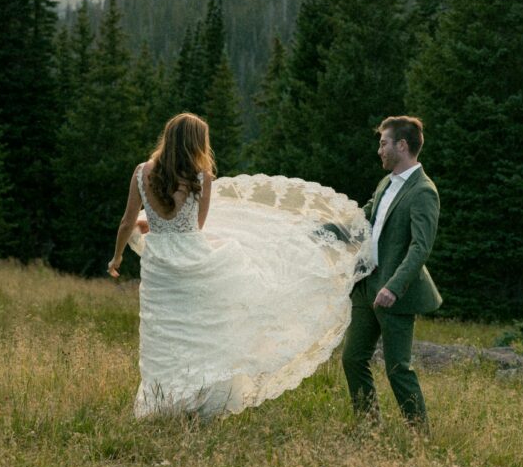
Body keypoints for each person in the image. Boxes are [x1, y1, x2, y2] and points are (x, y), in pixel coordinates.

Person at [108, 112, 372, 418]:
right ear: (196, 143)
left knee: (163, 331)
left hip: (159, 265)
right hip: (193, 260)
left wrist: (118, 256)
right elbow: (198, 225)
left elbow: (128, 221)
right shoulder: (201, 177)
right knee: (199, 330)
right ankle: (197, 400)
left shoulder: (142, 172)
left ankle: (160, 402)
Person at [341, 115, 441, 431]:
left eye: (383, 143)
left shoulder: (424, 191)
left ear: (402, 145)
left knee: (398, 368)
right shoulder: (386, 183)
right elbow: (364, 221)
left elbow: (420, 247)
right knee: (353, 359)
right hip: (367, 287)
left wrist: (394, 287)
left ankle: (421, 437)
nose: (379, 150)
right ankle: (369, 429)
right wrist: (321, 230)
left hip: (394, 294)